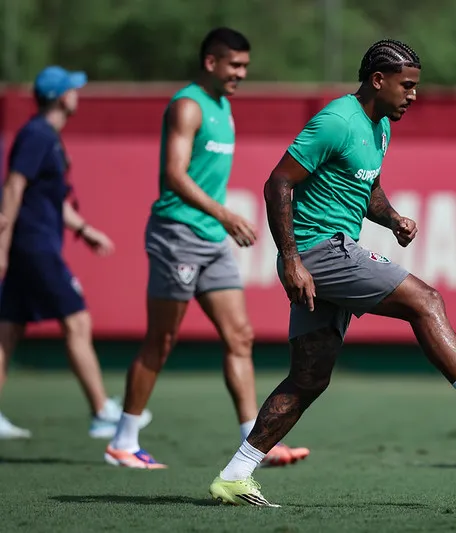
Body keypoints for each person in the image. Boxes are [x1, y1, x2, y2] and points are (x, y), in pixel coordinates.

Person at [207, 39, 456, 506]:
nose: (412, 95)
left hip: (327, 252)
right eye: (406, 86)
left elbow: (363, 185)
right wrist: (290, 259)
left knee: (309, 378)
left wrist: (392, 219)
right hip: (320, 250)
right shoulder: (336, 120)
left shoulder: (381, 126)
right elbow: (278, 182)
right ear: (378, 81)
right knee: (426, 300)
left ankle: (234, 474)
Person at [105, 28, 308, 469]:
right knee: (161, 340)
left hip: (211, 241)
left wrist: (219, 223)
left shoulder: (224, 107)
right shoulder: (188, 105)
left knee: (241, 336)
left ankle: (253, 444)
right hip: (177, 234)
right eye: (234, 65)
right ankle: (123, 439)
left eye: (245, 67)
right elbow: (174, 175)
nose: (241, 74)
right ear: (211, 62)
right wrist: (225, 214)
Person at [0, 66, 149, 439]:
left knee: (8, 330)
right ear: (60, 97)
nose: (77, 94)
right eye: (72, 89)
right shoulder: (36, 134)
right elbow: (13, 190)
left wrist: (84, 230)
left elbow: (50, 199)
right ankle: (101, 412)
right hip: (32, 246)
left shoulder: (47, 137)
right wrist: (2, 246)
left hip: (35, 243)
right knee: (77, 321)